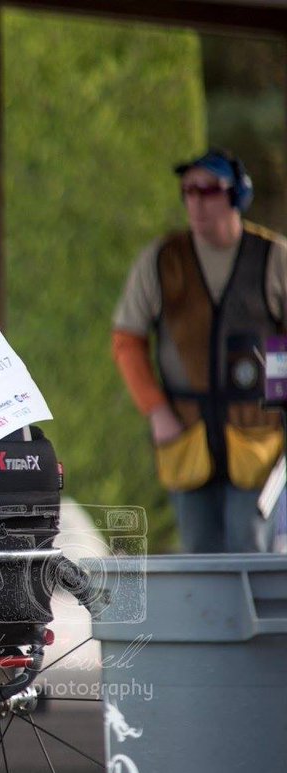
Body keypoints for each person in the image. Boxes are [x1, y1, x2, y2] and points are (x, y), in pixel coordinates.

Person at [112, 148, 287, 553]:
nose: (195, 201)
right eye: (188, 191)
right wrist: (156, 411)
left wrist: (280, 401)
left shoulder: (274, 257)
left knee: (250, 549)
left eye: (207, 190)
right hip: (186, 433)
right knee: (198, 553)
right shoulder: (160, 260)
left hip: (256, 436)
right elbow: (127, 341)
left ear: (236, 197)